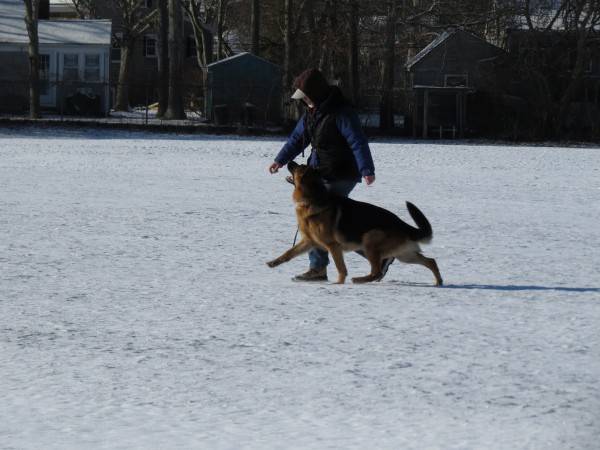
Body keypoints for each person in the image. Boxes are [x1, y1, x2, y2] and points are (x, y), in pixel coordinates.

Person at [268, 68, 394, 282]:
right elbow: (297, 138)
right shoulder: (311, 113)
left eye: (306, 96)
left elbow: (357, 141)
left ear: (316, 93)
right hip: (321, 173)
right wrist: (280, 160)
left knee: (317, 220)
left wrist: (367, 170)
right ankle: (379, 257)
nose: (304, 101)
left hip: (341, 173)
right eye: (303, 98)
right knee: (331, 225)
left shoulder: (341, 112)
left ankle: (318, 269)